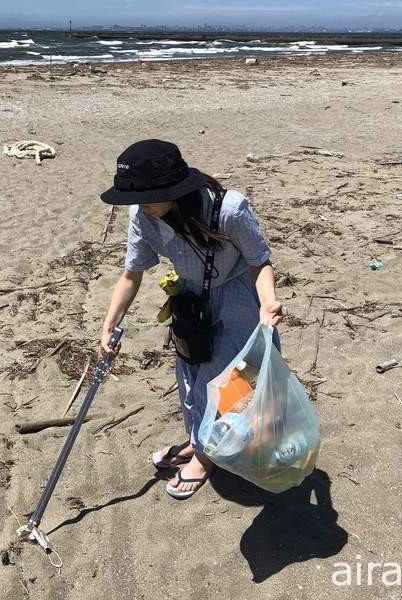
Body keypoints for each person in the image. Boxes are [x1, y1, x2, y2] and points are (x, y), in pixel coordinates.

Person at [99, 139, 284, 500]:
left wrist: (267, 302)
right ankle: (201, 440)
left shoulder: (229, 209)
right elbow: (131, 274)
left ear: (172, 189)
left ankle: (204, 456)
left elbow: (258, 260)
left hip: (238, 301)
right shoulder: (144, 215)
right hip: (191, 302)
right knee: (191, 377)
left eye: (148, 197)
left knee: (230, 383)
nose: (141, 206)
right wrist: (109, 323)